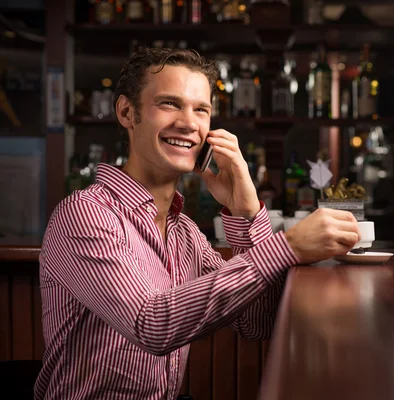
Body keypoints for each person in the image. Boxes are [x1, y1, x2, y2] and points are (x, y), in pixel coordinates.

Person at [35, 48, 360, 399]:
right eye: (170, 104)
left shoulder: (185, 233)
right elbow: (152, 325)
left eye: (201, 109)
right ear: (128, 112)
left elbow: (256, 323)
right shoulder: (84, 214)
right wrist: (287, 247)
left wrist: (246, 212)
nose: (189, 123)